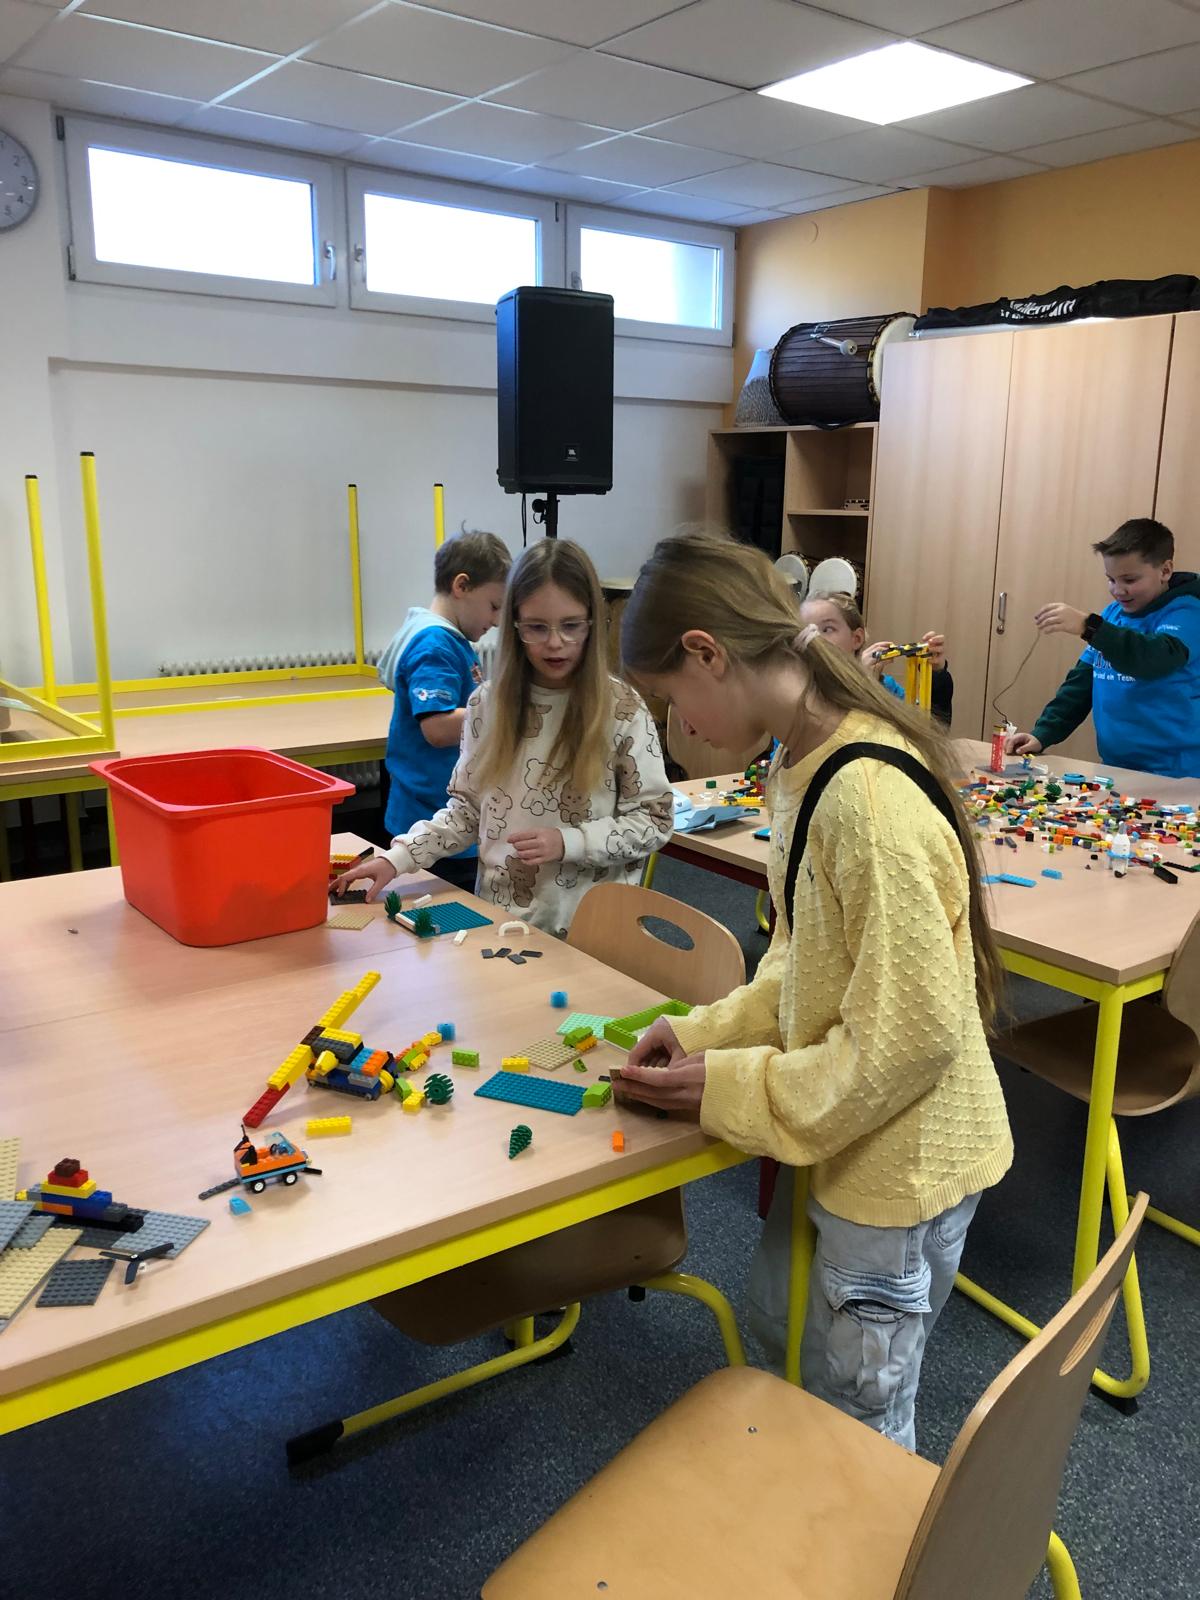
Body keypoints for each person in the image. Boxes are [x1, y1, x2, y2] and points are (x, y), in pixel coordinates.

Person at [613, 531, 1012, 1451]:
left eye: (673, 698)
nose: (682, 729)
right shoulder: (799, 761)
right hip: (847, 1135)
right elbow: (804, 961)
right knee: (781, 1327)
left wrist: (728, 1086)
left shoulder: (864, 801)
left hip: (898, 1172)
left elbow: (905, 1045)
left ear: (707, 652)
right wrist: (706, 1034)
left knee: (860, 1421)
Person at [335, 539, 674, 937]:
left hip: (590, 928)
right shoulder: (487, 705)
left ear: (593, 624)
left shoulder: (622, 709)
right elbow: (467, 812)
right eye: (536, 627)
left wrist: (570, 842)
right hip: (502, 922)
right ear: (513, 627)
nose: (554, 642)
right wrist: (397, 859)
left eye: (571, 626)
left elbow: (654, 819)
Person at [1005, 518, 1200, 779]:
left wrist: (1089, 627)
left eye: (1129, 579)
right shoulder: (1112, 616)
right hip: (1115, 767)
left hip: (1178, 774)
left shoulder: (1188, 613)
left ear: (1165, 571)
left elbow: (1153, 659)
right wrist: (1042, 734)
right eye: (1111, 579)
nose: (1118, 590)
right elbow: (1080, 685)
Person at [375, 528, 510, 893]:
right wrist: (509, 712)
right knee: (446, 914)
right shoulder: (435, 643)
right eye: (494, 605)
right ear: (461, 586)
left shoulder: (444, 638)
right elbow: (437, 729)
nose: (498, 620)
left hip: (434, 811)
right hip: (433, 816)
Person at [797, 591, 954, 725]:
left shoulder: (884, 686)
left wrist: (936, 675)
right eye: (806, 631)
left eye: (827, 629)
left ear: (857, 639)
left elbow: (928, 728)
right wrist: (861, 686)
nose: (815, 639)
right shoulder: (797, 692)